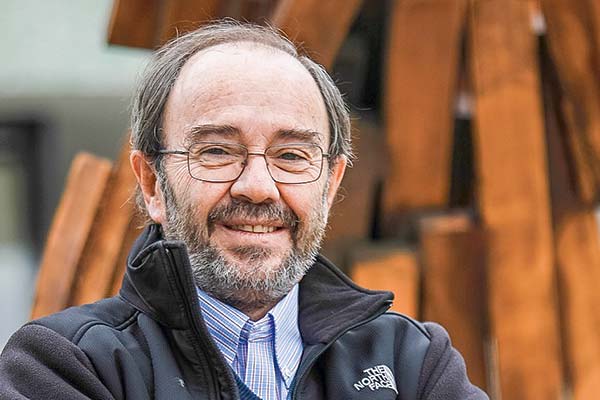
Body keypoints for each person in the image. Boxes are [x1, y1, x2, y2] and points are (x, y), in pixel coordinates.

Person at [0, 21, 488, 400]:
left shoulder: (413, 363)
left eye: (292, 156)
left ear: (330, 183)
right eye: (216, 151)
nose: (258, 187)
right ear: (152, 184)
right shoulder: (67, 366)